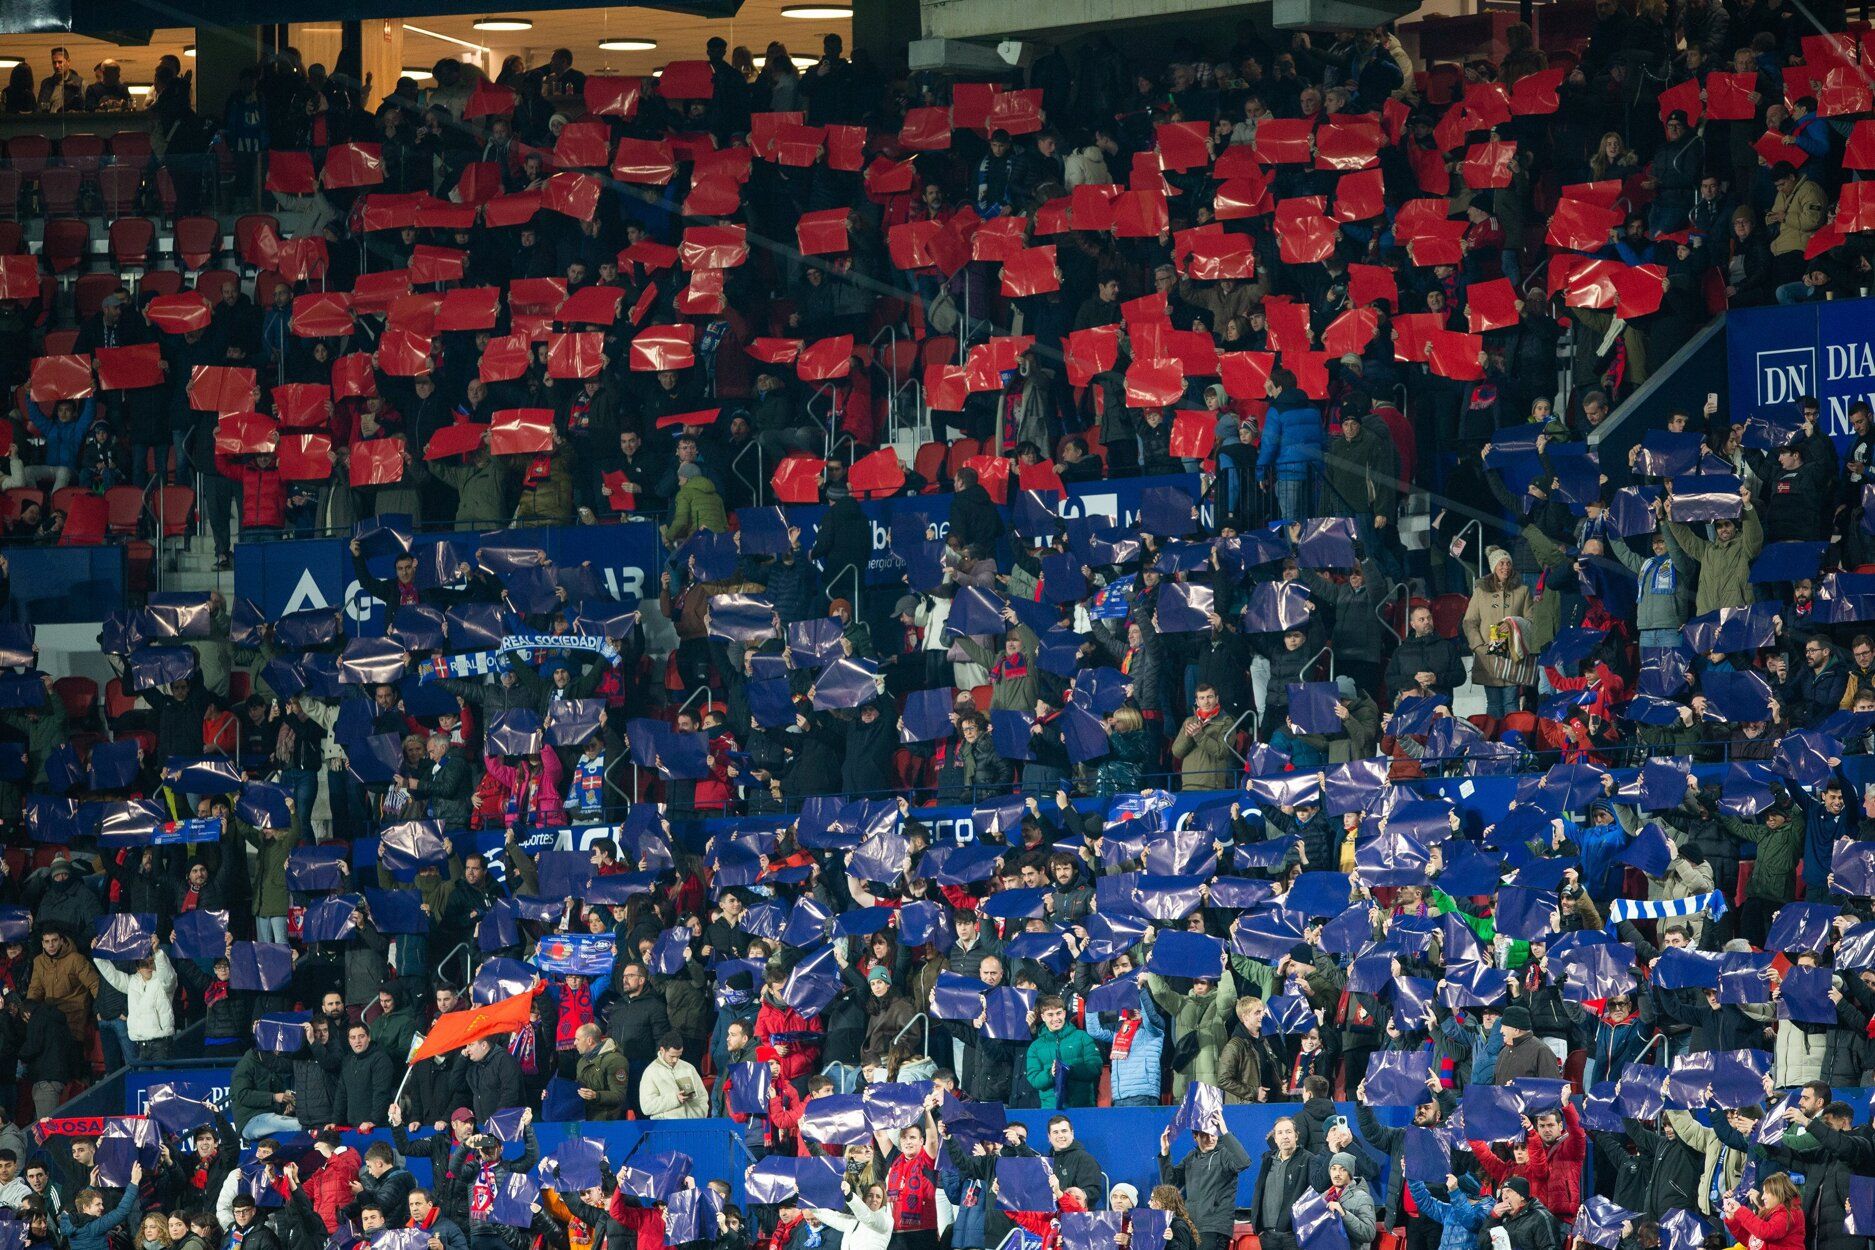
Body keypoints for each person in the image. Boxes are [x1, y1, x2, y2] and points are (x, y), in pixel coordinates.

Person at [1158, 1121, 1252, 1250]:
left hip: (1214, 1227)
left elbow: (1244, 1162)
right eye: (1204, 1135)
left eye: (1213, 1134)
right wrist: (1165, 1152)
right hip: (1190, 1226)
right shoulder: (1191, 1157)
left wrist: (1225, 1131)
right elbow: (1171, 1183)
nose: (1210, 1138)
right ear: (1195, 1136)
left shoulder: (1224, 1154)